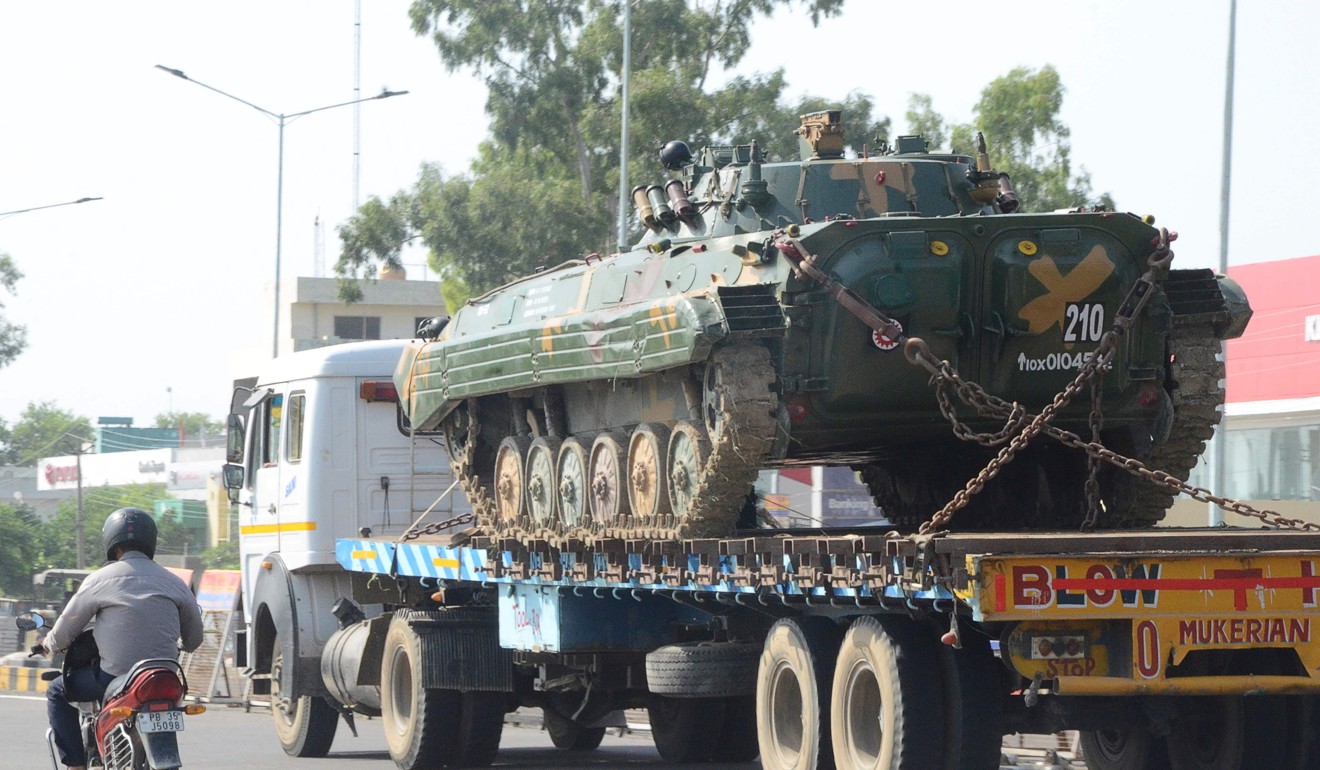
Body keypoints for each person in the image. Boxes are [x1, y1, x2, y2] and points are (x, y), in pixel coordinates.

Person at [40, 508, 204, 770]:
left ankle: (76, 766)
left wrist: (48, 644)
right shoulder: (175, 582)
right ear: (150, 541)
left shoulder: (100, 579)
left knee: (57, 691)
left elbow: (66, 630)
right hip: (166, 678)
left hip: (116, 678)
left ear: (112, 544)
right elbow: (194, 638)